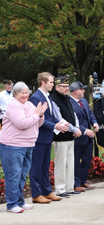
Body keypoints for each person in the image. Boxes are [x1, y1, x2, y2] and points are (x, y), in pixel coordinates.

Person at [0, 82, 47, 213]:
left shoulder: (30, 104)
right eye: (22, 93)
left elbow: (38, 123)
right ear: (15, 94)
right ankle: (12, 204)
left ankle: (20, 201)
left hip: (28, 145)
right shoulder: (14, 105)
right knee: (13, 175)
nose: (25, 95)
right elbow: (22, 123)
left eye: (27, 93)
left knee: (22, 175)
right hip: (12, 146)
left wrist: (41, 115)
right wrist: (36, 115)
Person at [30, 72, 68, 204]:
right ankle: (36, 194)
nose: (53, 84)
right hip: (39, 137)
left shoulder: (47, 97)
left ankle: (46, 191)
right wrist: (55, 126)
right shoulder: (36, 97)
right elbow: (38, 119)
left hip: (47, 137)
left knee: (45, 166)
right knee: (36, 166)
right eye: (51, 82)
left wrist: (61, 123)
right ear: (43, 82)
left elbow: (51, 116)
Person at [51, 76, 82, 197]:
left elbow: (73, 114)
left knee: (70, 163)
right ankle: (60, 189)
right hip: (61, 136)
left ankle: (69, 187)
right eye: (63, 86)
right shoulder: (54, 99)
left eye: (67, 86)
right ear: (56, 87)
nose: (66, 88)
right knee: (61, 163)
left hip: (70, 136)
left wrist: (77, 128)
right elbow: (59, 118)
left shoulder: (66, 98)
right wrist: (74, 129)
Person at [69, 81, 99, 192]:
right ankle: (76, 184)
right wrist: (84, 130)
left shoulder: (84, 101)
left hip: (88, 138)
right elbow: (71, 121)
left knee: (87, 160)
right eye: (82, 89)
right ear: (76, 91)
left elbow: (90, 114)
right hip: (78, 137)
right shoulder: (69, 103)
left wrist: (94, 123)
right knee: (76, 161)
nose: (84, 91)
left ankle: (83, 181)